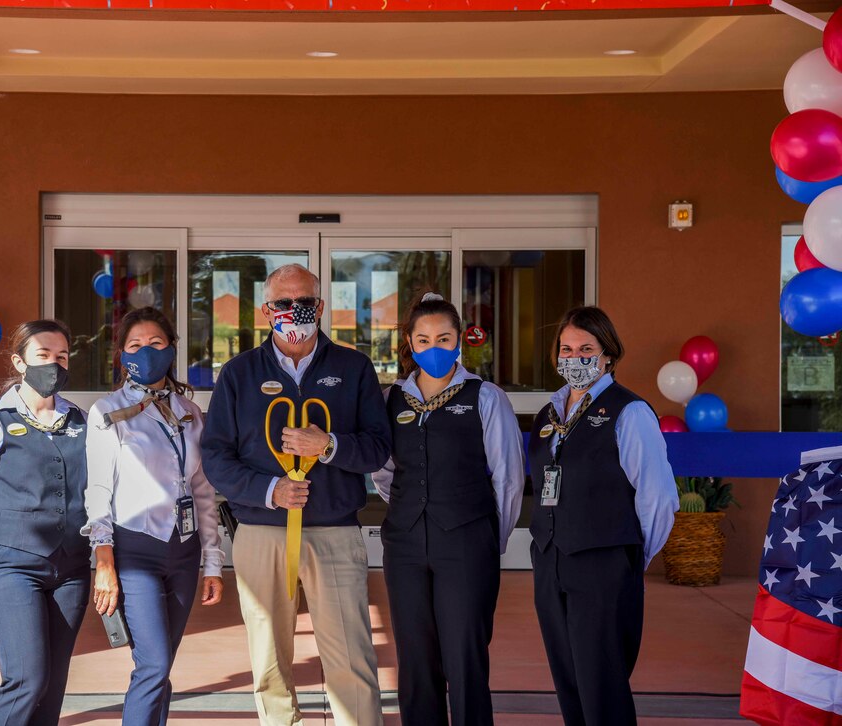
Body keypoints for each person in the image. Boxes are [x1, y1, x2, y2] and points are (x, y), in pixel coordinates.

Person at [201, 263, 391, 726]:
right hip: (261, 533)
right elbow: (216, 457)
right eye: (283, 303)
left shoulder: (354, 368)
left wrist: (328, 446)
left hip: (336, 532)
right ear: (267, 311)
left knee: (351, 656)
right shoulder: (239, 373)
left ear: (320, 307)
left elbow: (379, 447)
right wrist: (269, 490)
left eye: (303, 302)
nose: (294, 311)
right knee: (269, 661)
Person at [372, 292, 525, 726]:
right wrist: (411, 507)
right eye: (423, 340)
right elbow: (384, 471)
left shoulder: (486, 397)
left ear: (460, 341)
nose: (433, 348)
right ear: (409, 343)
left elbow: (509, 478)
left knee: (465, 656)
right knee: (415, 659)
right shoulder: (391, 400)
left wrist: (484, 537)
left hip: (466, 543)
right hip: (404, 545)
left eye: (443, 338)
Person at [528, 306, 678, 726]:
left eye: (585, 349)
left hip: (603, 565)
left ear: (608, 355)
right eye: (566, 349)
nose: (573, 358)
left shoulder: (629, 413)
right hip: (552, 561)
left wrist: (629, 558)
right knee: (569, 680)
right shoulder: (548, 416)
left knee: (602, 685)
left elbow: (659, 497)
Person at [82, 306, 224, 726]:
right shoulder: (106, 412)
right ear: (121, 355)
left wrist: (213, 561)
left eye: (156, 343)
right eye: (135, 345)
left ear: (171, 350)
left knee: (161, 668)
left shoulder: (189, 412)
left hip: (183, 552)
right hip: (135, 551)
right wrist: (103, 562)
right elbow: (99, 493)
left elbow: (202, 490)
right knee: (154, 665)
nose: (146, 352)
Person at [0, 319, 90, 726]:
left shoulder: (81, 421)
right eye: (43, 355)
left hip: (71, 570)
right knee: (27, 678)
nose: (54, 364)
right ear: (19, 361)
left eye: (61, 356)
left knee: (52, 684)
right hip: (10, 565)